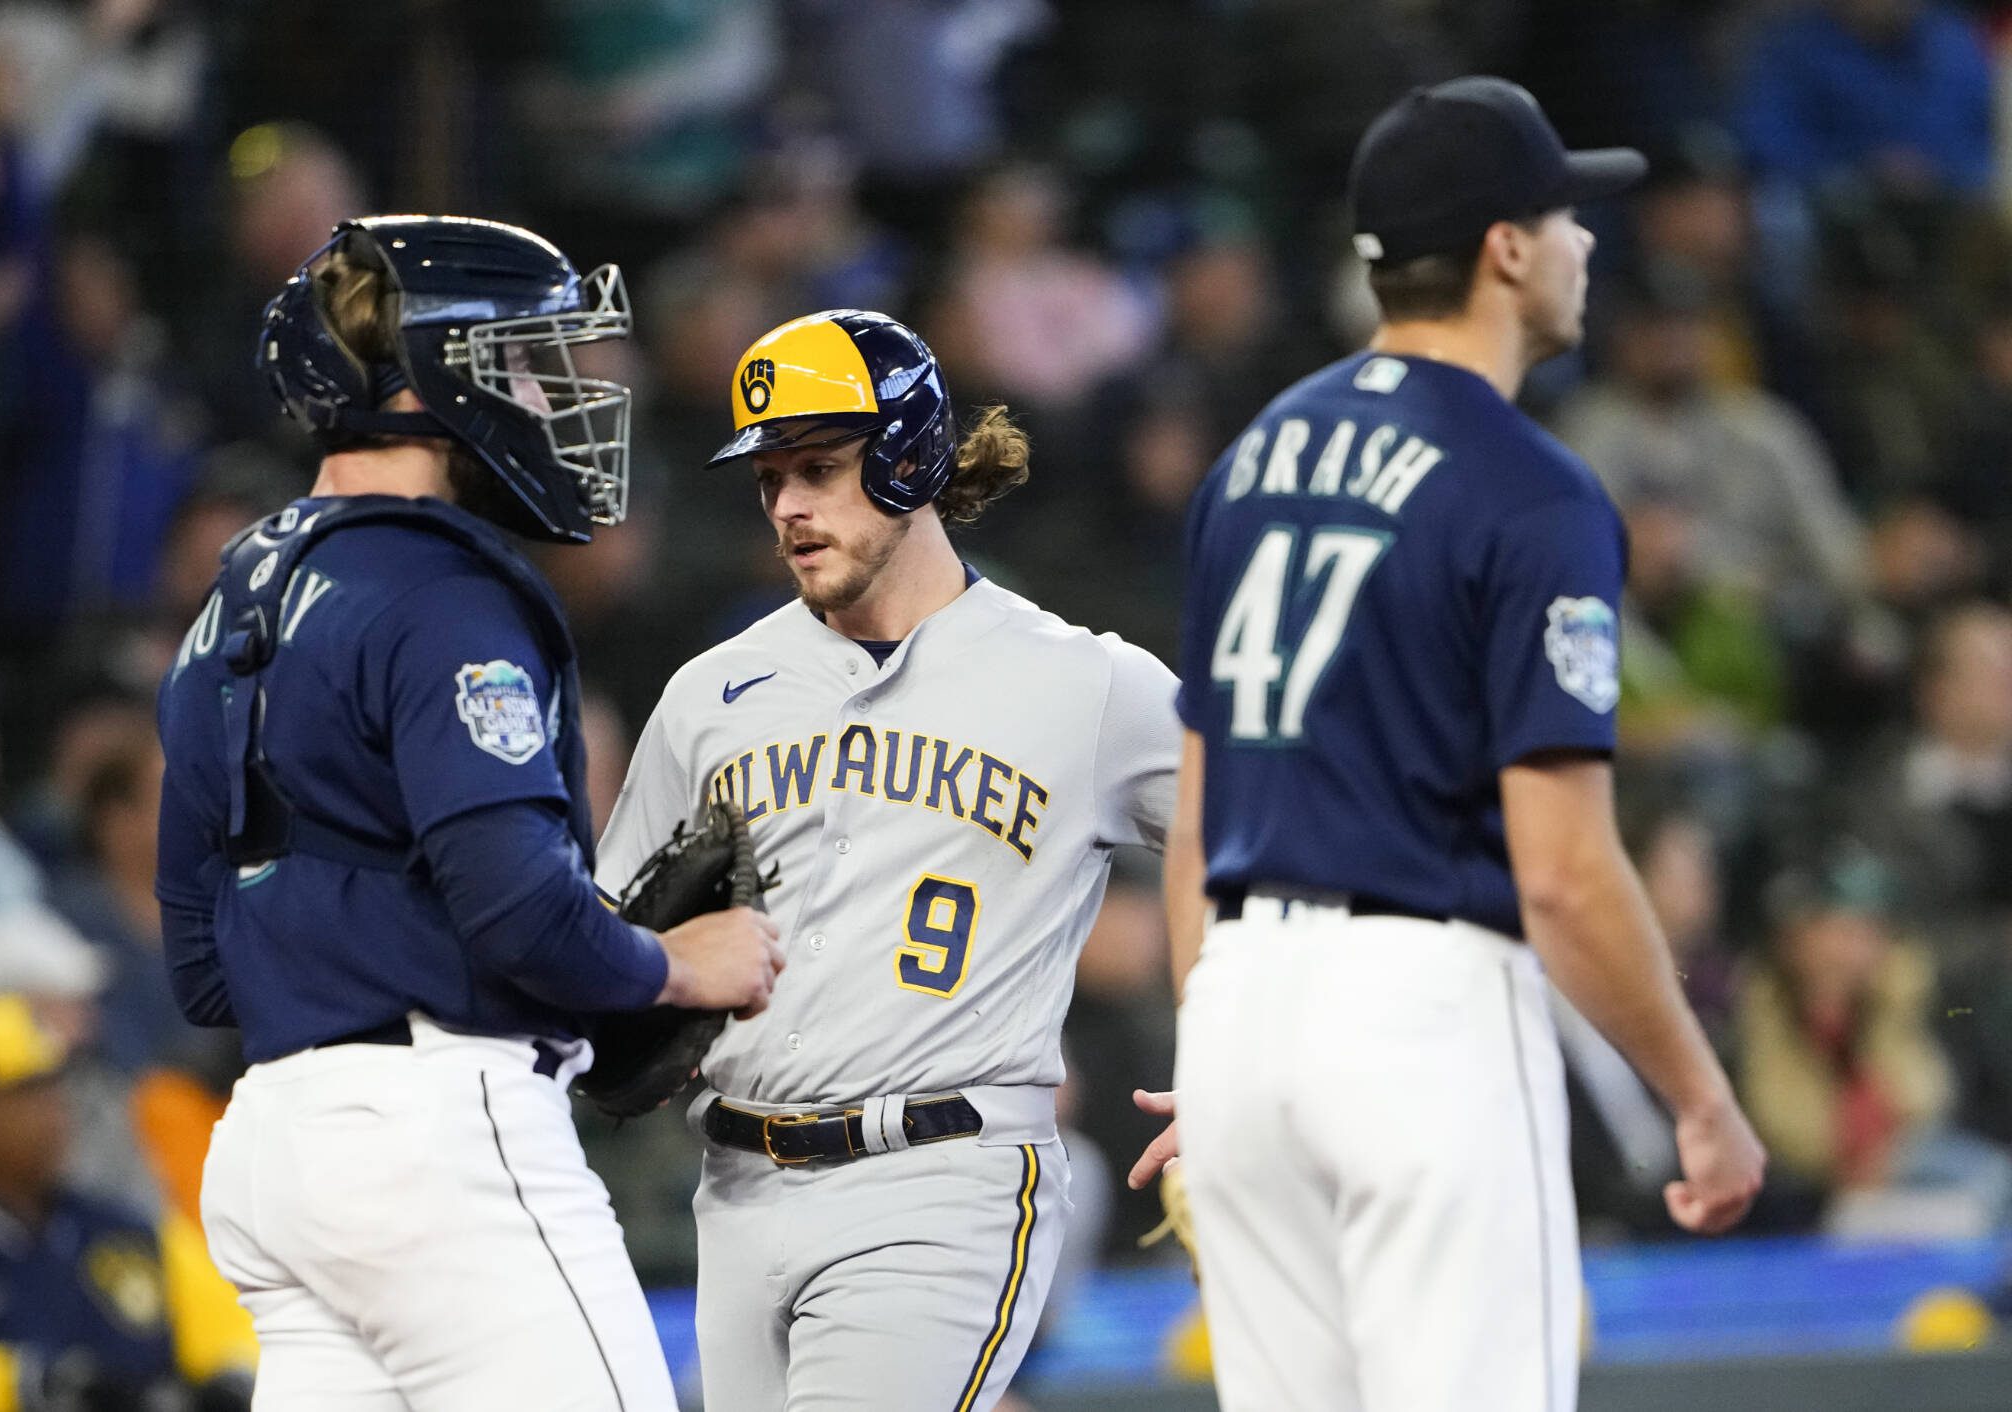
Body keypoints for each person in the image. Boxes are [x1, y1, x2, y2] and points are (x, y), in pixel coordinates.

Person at [1127, 78, 1768, 1412]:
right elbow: (1564, 875)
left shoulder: (1251, 460)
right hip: (1417, 1012)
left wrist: (1215, 1051)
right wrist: (1697, 1094)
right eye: (1565, 215)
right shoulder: (1531, 487)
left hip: (1235, 1009)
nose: (1585, 240)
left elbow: (1195, 815)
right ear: (1506, 249)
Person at [153, 216, 785, 1410]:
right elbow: (520, 914)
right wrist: (670, 963)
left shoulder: (226, 608)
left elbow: (201, 968)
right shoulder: (440, 592)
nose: (551, 394)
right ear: (433, 376)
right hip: (438, 1143)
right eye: (526, 361)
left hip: (275, 1141)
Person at [596, 309, 1178, 1410]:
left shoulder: (1084, 683)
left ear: (908, 458)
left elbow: (1267, 837)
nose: (787, 506)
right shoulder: (710, 694)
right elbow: (612, 923)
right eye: (768, 479)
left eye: (817, 468)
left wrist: (1245, 1060)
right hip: (736, 1185)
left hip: (942, 1178)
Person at [0, 990, 255, 1410]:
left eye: (54, 1089)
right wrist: (20, 1383)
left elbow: (231, 1327)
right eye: (25, 1095)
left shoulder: (124, 1228)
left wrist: (230, 1379)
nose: (53, 1112)